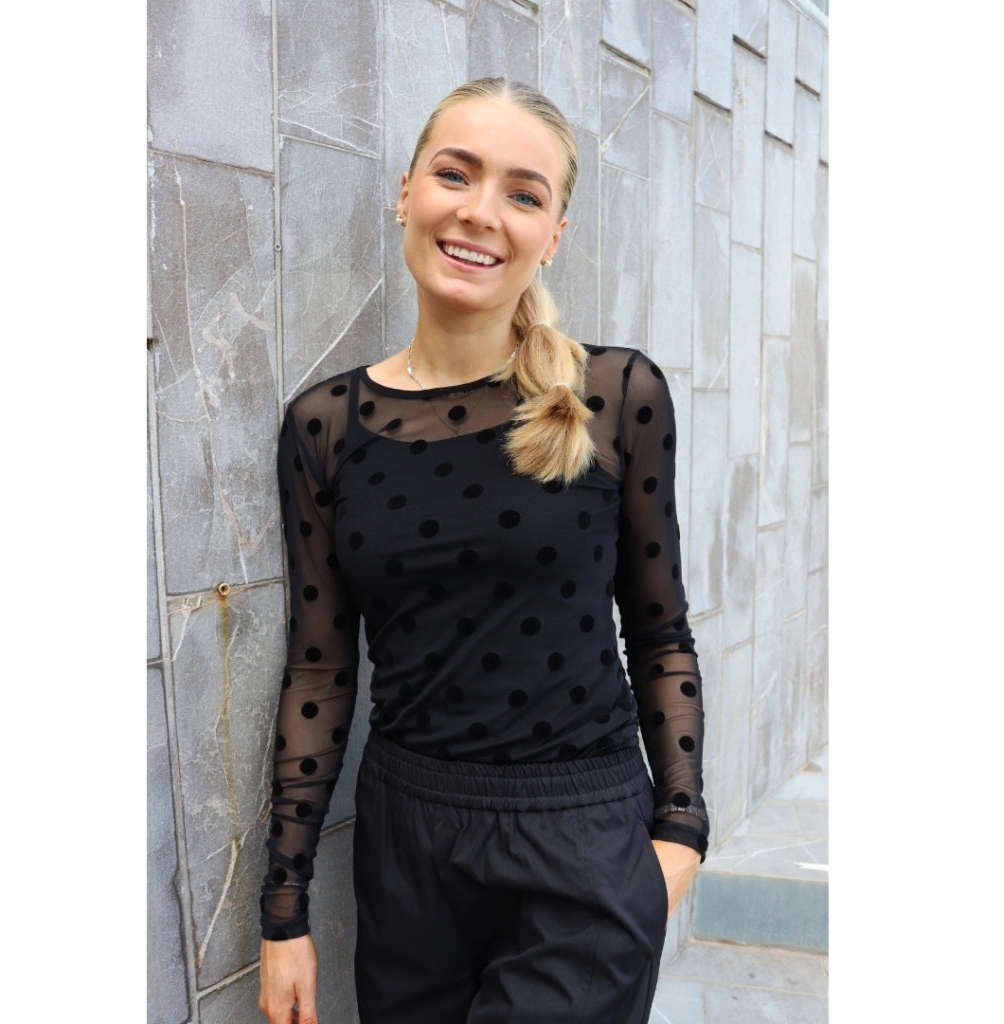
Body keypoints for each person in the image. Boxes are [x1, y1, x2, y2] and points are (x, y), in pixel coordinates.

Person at [258, 77, 709, 1024]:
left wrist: (678, 833)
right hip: (406, 848)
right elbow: (321, 667)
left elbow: (660, 631)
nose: (480, 212)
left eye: (523, 193)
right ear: (406, 192)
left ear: (554, 234)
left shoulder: (613, 395)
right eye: (455, 174)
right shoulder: (324, 425)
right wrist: (284, 910)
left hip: (582, 843)